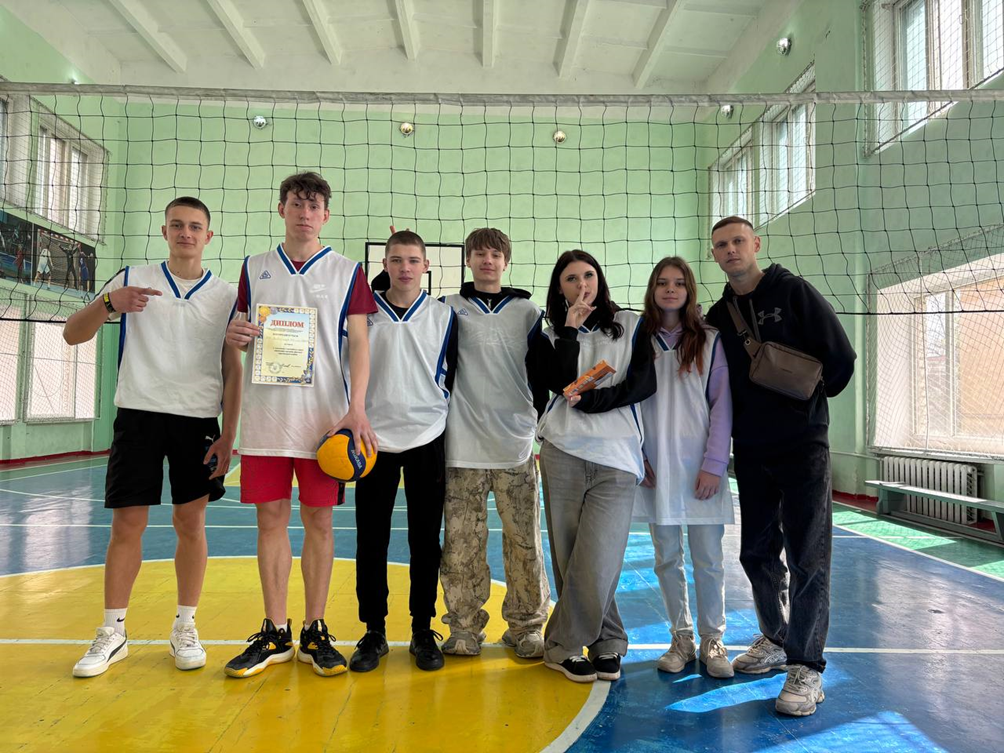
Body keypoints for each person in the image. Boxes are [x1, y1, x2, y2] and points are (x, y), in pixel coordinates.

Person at [63, 196, 240, 678]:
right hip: (138, 416)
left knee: (191, 523)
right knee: (127, 525)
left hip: (197, 421)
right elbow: (72, 335)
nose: (186, 233)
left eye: (195, 226)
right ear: (164, 232)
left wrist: (229, 433)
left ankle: (185, 625)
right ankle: (113, 631)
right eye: (177, 225)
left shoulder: (225, 295)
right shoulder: (131, 279)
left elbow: (232, 367)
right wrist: (108, 304)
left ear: (208, 236)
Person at [224, 172, 378, 679]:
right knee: (269, 522)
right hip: (266, 420)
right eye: (297, 203)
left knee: (320, 523)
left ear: (325, 215)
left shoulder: (347, 270)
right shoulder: (255, 267)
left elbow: (360, 343)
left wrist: (357, 408)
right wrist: (235, 334)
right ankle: (275, 631)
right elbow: (239, 331)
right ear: (282, 209)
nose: (305, 213)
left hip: (324, 425)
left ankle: (314, 629)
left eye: (314, 206)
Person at [705, 216, 855, 716]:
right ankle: (775, 637)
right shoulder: (719, 314)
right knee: (756, 552)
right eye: (721, 245)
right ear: (714, 254)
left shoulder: (794, 292)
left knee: (809, 558)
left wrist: (806, 405)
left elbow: (840, 359)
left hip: (803, 447)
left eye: (738, 241)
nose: (730, 250)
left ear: (755, 244)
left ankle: (807, 666)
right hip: (750, 450)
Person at [533, 249, 656, 683]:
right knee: (571, 557)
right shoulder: (551, 335)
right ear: (560, 288)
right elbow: (559, 382)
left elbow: (643, 382)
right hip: (563, 451)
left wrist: (597, 401)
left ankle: (561, 644)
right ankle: (607, 639)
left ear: (599, 279)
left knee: (600, 557)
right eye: (571, 278)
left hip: (617, 457)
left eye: (588, 275)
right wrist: (569, 328)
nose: (582, 284)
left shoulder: (631, 324)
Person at [349, 230, 458, 673]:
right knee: (371, 538)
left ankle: (421, 629)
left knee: (424, 540)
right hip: (372, 438)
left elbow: (455, 374)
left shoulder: (444, 315)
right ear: (385, 264)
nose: (405, 268)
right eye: (397, 260)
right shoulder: (363, 313)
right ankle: (374, 630)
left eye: (413, 260)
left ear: (426, 266)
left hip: (427, 434)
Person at [439, 227, 550, 659]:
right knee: (461, 546)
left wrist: (538, 423)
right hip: (462, 446)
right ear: (468, 259)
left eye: (495, 254)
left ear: (506, 261)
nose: (488, 260)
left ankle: (526, 626)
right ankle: (464, 627)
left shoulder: (527, 311)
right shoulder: (447, 308)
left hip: (514, 446)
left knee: (525, 542)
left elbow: (543, 373)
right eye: (480, 253)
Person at [634, 256, 734, 679]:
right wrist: (638, 456)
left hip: (701, 470)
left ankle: (713, 638)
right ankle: (682, 637)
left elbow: (722, 406)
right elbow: (628, 405)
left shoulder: (709, 340)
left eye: (678, 282)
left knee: (708, 558)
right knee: (666, 558)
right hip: (655, 468)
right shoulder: (638, 340)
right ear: (653, 290)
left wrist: (714, 464)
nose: (671, 289)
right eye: (662, 282)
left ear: (689, 290)